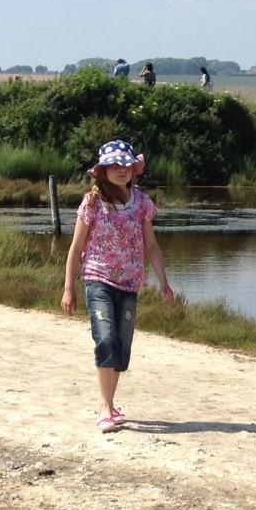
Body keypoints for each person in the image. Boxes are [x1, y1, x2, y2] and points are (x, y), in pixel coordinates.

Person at [61, 140, 175, 433]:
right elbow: (76, 248)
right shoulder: (92, 203)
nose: (121, 171)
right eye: (114, 166)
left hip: (130, 282)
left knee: (121, 349)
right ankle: (104, 408)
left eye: (126, 166)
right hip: (97, 278)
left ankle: (110, 405)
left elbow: (151, 245)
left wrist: (164, 282)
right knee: (106, 339)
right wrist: (68, 288)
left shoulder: (141, 203)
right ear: (102, 171)